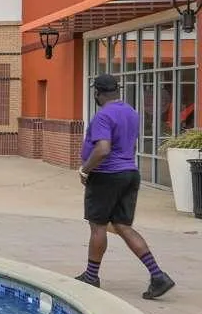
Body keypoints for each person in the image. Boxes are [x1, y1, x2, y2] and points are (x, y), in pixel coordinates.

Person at [75, 74, 175, 298]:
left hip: (106, 176)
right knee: (123, 226)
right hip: (130, 173)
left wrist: (85, 169)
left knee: (98, 226)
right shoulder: (131, 112)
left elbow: (102, 149)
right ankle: (158, 275)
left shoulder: (103, 116)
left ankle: (91, 276)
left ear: (97, 93)